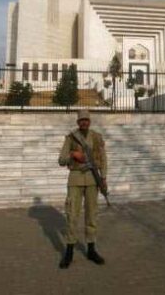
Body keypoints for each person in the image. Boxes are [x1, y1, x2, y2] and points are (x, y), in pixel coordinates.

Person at [57, 109, 108, 269]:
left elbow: (103, 158)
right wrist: (73, 154)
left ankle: (91, 249)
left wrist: (103, 177)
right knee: (72, 214)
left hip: (93, 180)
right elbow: (61, 160)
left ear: (89, 121)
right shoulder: (71, 137)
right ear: (78, 122)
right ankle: (69, 251)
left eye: (86, 120)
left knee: (92, 214)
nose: (84, 122)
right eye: (81, 120)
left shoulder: (96, 137)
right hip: (75, 179)